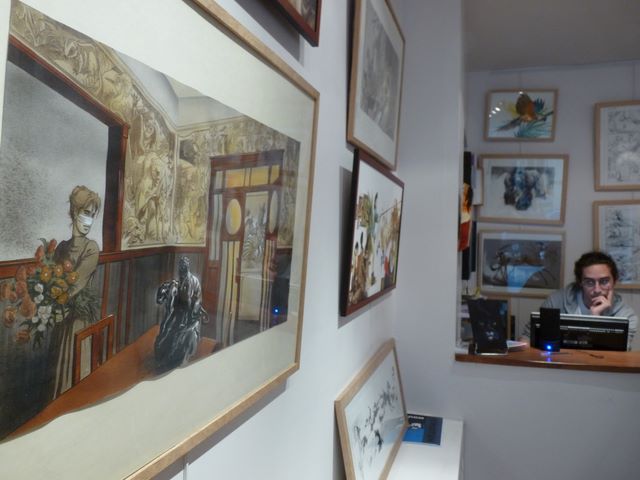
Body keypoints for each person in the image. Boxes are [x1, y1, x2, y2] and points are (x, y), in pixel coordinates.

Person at [49, 185, 101, 397]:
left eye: (92, 215)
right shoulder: (61, 248)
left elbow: (76, 283)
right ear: (74, 211)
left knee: (78, 376)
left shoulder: (92, 248)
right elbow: (51, 282)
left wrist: (56, 302)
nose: (89, 220)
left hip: (79, 321)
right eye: (85, 213)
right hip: (60, 320)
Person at [541, 251, 637, 350]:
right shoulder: (556, 301)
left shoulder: (626, 315)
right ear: (580, 282)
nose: (597, 290)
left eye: (604, 281)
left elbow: (617, 354)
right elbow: (534, 339)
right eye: (589, 282)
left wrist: (596, 318)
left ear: (614, 281)